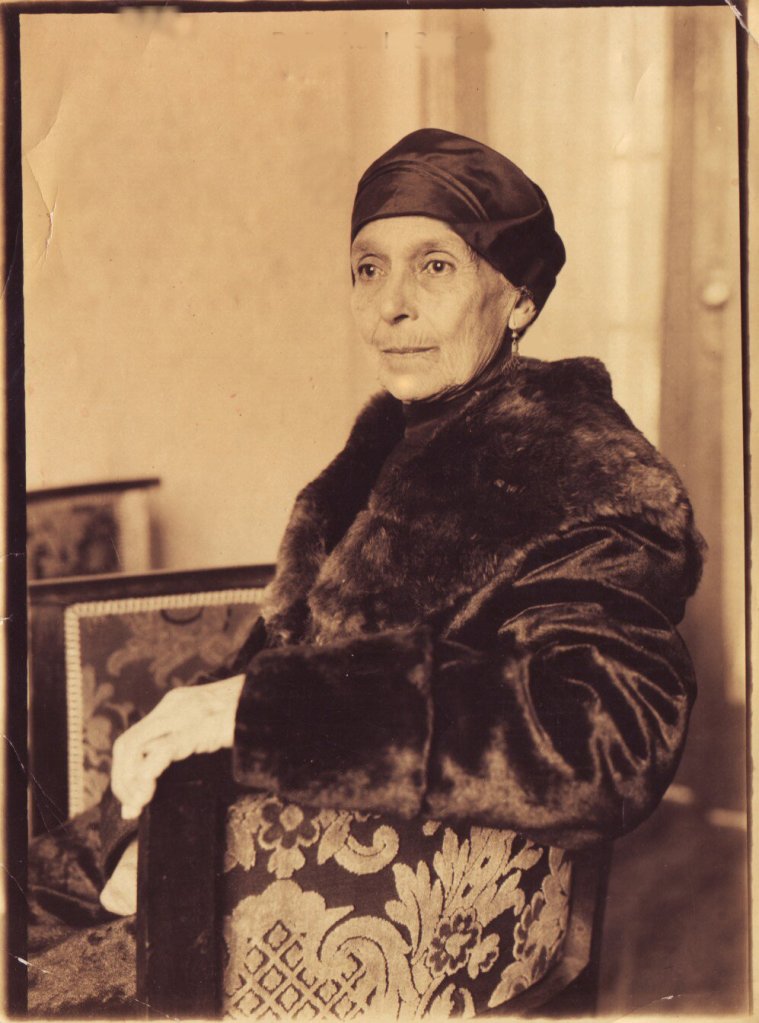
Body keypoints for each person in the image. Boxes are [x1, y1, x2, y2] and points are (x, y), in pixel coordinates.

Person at [28, 128, 703, 1018]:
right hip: (199, 857)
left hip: (311, 916)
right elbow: (296, 647)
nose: (389, 307)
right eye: (367, 269)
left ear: (518, 301)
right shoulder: (389, 444)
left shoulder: (589, 470)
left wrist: (259, 711)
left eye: (434, 268)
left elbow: (607, 737)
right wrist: (142, 828)